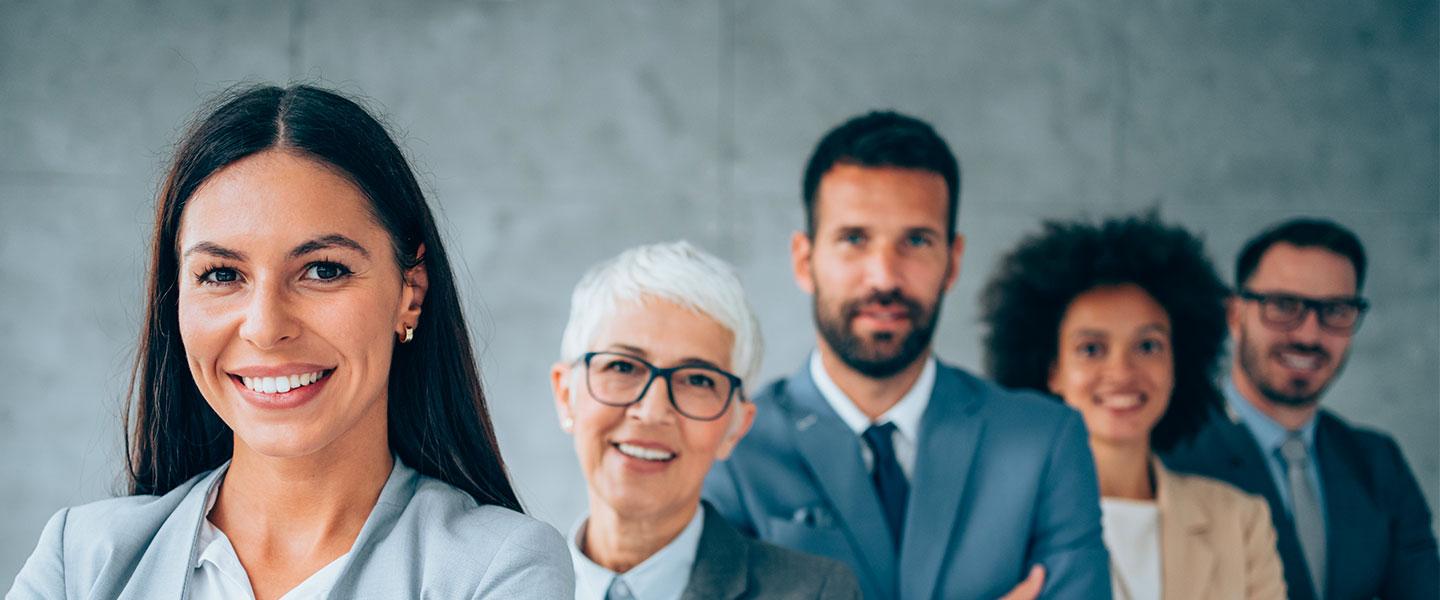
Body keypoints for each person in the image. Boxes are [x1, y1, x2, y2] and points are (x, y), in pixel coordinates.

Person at [8, 85, 573, 598]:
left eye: (323, 270)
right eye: (222, 275)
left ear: (411, 293)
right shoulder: (78, 560)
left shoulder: (501, 569)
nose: (264, 326)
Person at [702, 111, 1108, 600]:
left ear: (953, 262)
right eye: (854, 239)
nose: (885, 277)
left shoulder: (1044, 442)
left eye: (916, 241)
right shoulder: (729, 446)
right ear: (805, 261)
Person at [980, 214, 1286, 599]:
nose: (1122, 372)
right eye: (1091, 349)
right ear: (1052, 370)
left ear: (1179, 362)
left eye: (1148, 346)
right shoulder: (994, 526)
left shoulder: (1240, 522)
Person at [550, 241, 861, 599]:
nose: (652, 412)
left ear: (736, 427)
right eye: (622, 366)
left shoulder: (815, 592)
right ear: (565, 395)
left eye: (697, 379)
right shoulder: (504, 584)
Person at [1162, 218, 1440, 600]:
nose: (1309, 334)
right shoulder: (1171, 451)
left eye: (1336, 310)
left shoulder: (1377, 463)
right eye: (1283, 305)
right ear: (1235, 315)